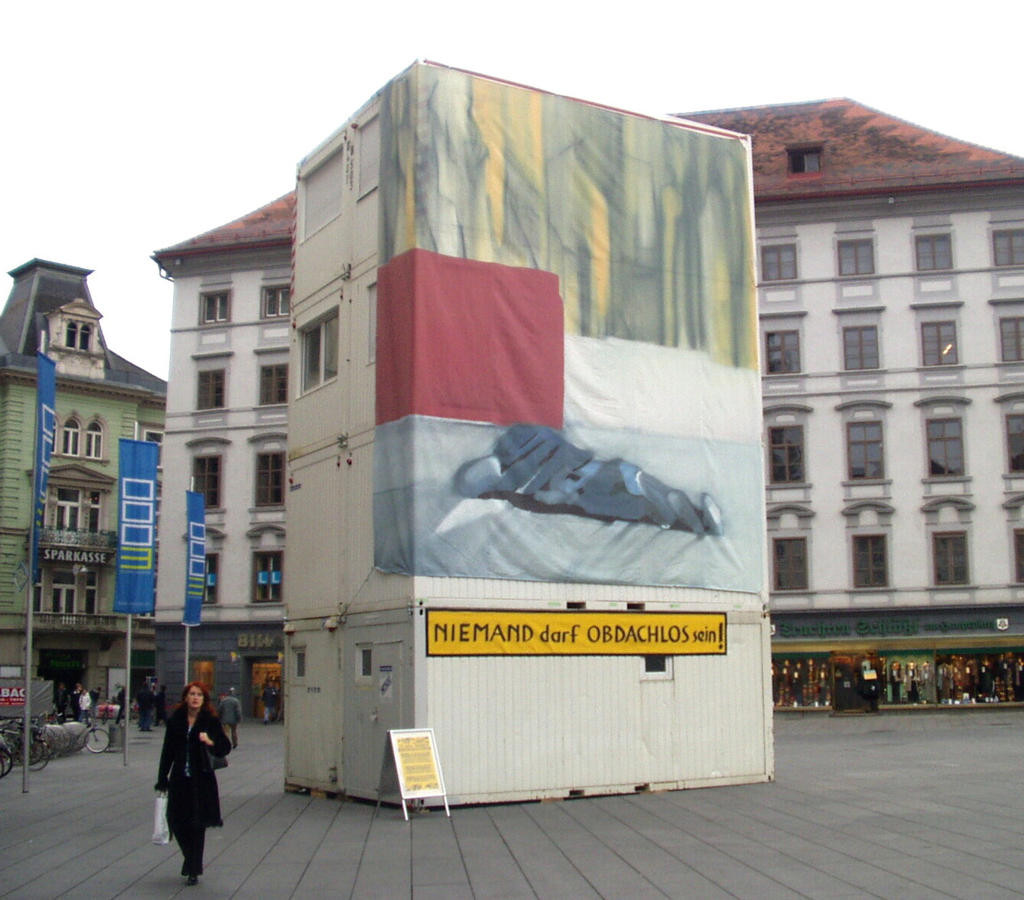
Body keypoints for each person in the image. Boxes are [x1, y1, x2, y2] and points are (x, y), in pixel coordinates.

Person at [154, 682, 231, 886]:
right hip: (180, 779)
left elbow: (225, 747)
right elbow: (167, 751)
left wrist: (210, 741)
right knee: (176, 821)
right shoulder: (175, 721)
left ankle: (194, 869)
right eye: (192, 694)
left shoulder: (210, 721)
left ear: (204, 700)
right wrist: (162, 777)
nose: (195, 697)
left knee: (197, 825)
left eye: (199, 695)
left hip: (202, 780)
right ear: (186, 698)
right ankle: (190, 858)